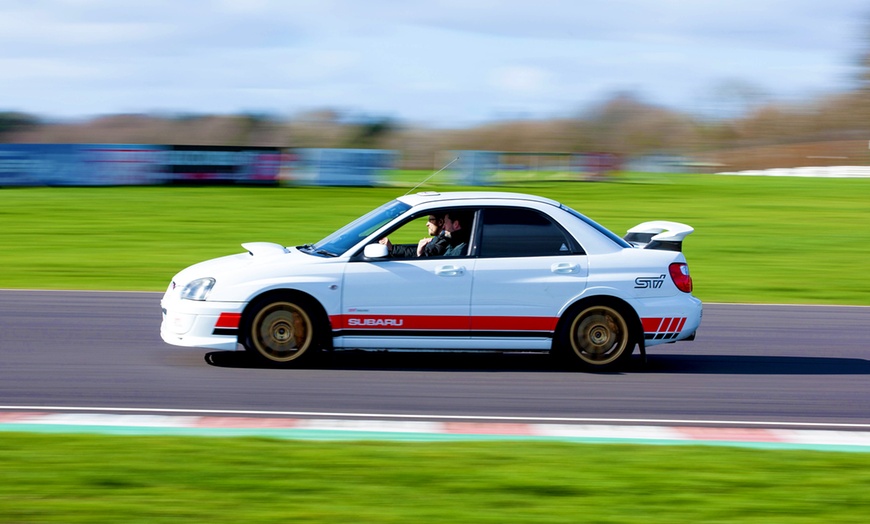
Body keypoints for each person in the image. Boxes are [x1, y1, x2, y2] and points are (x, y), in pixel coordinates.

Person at [379, 213, 450, 257]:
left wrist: (420, 252)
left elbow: (427, 255)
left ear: (440, 222)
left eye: (431, 220)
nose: (427, 224)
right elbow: (414, 251)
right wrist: (392, 248)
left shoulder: (444, 241)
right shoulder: (439, 238)